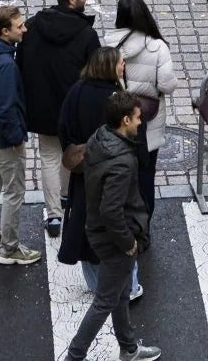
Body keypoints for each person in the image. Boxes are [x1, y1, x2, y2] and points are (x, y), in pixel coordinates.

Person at [61, 91, 162, 361]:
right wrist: (128, 242)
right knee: (106, 300)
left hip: (98, 231)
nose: (141, 123)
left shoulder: (101, 136)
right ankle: (75, 354)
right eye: (138, 118)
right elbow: (111, 210)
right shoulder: (123, 162)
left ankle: (128, 347)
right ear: (125, 120)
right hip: (115, 239)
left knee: (119, 294)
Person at [19, 0, 102, 237]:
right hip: (73, 108)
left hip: (42, 106)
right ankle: (67, 198)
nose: (87, 0)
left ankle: (53, 213)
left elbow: (22, 63)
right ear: (71, 0)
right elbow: (95, 73)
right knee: (73, 151)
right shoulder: (87, 35)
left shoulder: (33, 26)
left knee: (48, 157)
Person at [57, 47, 138, 299]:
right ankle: (129, 287)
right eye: (121, 63)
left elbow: (63, 128)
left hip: (84, 174)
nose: (124, 67)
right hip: (111, 171)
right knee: (120, 226)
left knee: (85, 226)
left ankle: (96, 285)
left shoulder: (77, 91)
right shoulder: (116, 99)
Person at [0, 4, 43, 265]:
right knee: (14, 191)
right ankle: (9, 248)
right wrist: (16, 137)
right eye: (20, 26)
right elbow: (6, 107)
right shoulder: (6, 65)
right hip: (4, 138)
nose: (24, 29)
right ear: (5, 31)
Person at [111, 0, 177, 211]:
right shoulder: (157, 47)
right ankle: (143, 224)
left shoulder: (109, 45)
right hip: (149, 124)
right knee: (146, 175)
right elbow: (167, 85)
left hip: (119, 122)